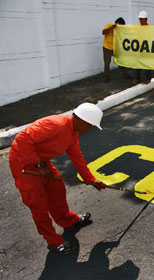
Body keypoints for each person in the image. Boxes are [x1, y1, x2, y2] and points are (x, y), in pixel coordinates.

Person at [8, 103, 108, 255]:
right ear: (83, 121)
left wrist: (91, 180)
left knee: (57, 190)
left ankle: (68, 220)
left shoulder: (73, 133)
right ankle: (54, 241)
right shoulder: (56, 125)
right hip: (23, 163)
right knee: (38, 204)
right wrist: (39, 165)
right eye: (92, 126)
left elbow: (77, 157)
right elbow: (22, 139)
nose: (91, 129)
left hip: (41, 162)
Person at [102, 17, 130, 83]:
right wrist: (112, 27)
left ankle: (125, 75)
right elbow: (103, 32)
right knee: (107, 63)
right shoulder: (109, 25)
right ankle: (107, 77)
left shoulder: (120, 30)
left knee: (121, 61)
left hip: (116, 48)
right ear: (117, 23)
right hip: (107, 47)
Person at [134, 11, 153, 84]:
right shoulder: (137, 27)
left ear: (146, 19)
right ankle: (137, 78)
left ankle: (148, 78)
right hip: (139, 49)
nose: (141, 21)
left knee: (146, 65)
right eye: (140, 19)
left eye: (142, 19)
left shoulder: (150, 28)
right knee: (138, 64)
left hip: (147, 49)